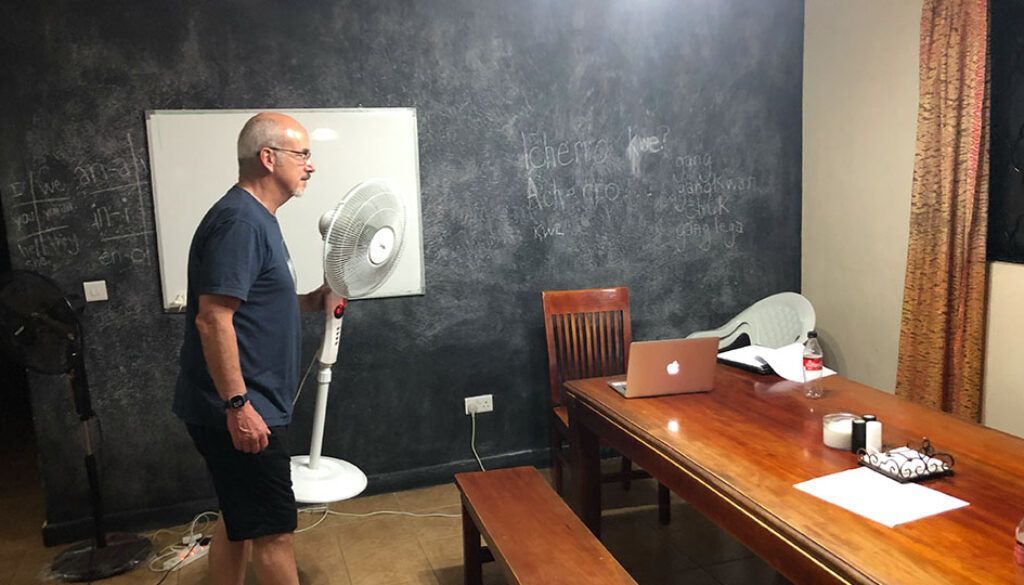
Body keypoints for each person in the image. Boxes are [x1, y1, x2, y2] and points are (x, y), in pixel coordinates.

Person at [174, 112, 330, 585]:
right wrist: (239, 405)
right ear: (269, 158)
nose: (311, 166)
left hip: (247, 405)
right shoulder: (240, 222)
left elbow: (257, 305)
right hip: (242, 411)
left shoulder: (260, 219)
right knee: (275, 532)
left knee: (239, 519)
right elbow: (213, 318)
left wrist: (315, 300)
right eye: (302, 154)